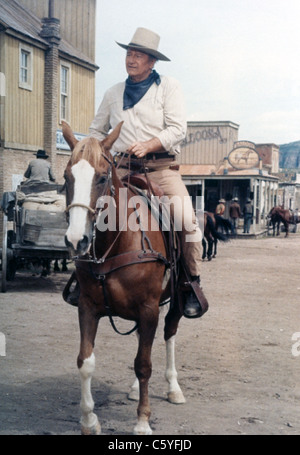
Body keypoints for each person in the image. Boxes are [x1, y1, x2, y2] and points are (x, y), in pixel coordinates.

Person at [88, 27, 207, 318]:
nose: (131, 59)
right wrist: (91, 150)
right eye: (129, 53)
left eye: (138, 55)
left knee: (187, 222)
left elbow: (178, 129)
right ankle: (82, 280)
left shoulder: (168, 87)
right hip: (122, 169)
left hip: (161, 169)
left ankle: (190, 283)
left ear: (152, 62)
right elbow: (95, 130)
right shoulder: (113, 92)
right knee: (95, 213)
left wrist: (150, 144)